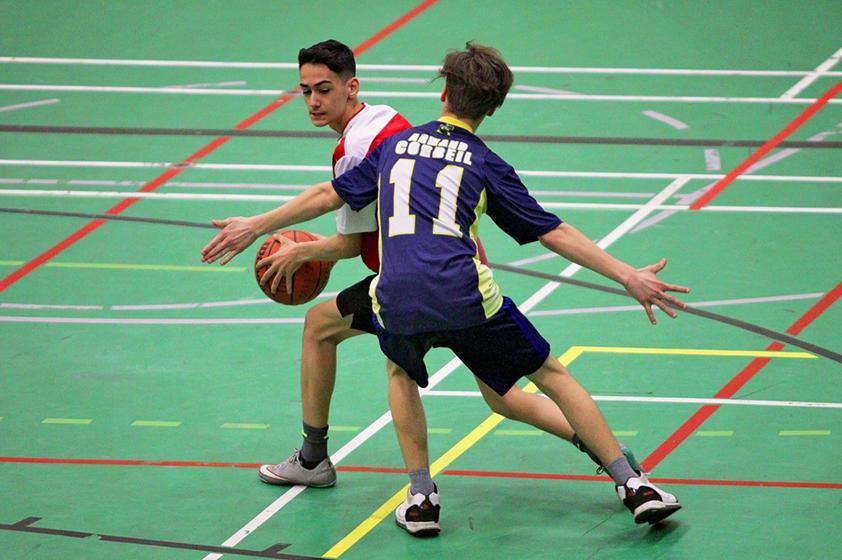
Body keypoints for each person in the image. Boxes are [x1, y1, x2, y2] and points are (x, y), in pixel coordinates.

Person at [202, 42, 680, 533]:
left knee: (400, 371)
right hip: (464, 292)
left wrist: (258, 224)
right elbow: (552, 232)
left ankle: (421, 497)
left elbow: (329, 196)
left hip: (396, 293)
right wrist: (627, 274)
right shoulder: (484, 161)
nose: (313, 99)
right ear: (492, 108)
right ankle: (632, 483)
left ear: (445, 91)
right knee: (549, 373)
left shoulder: (394, 144)